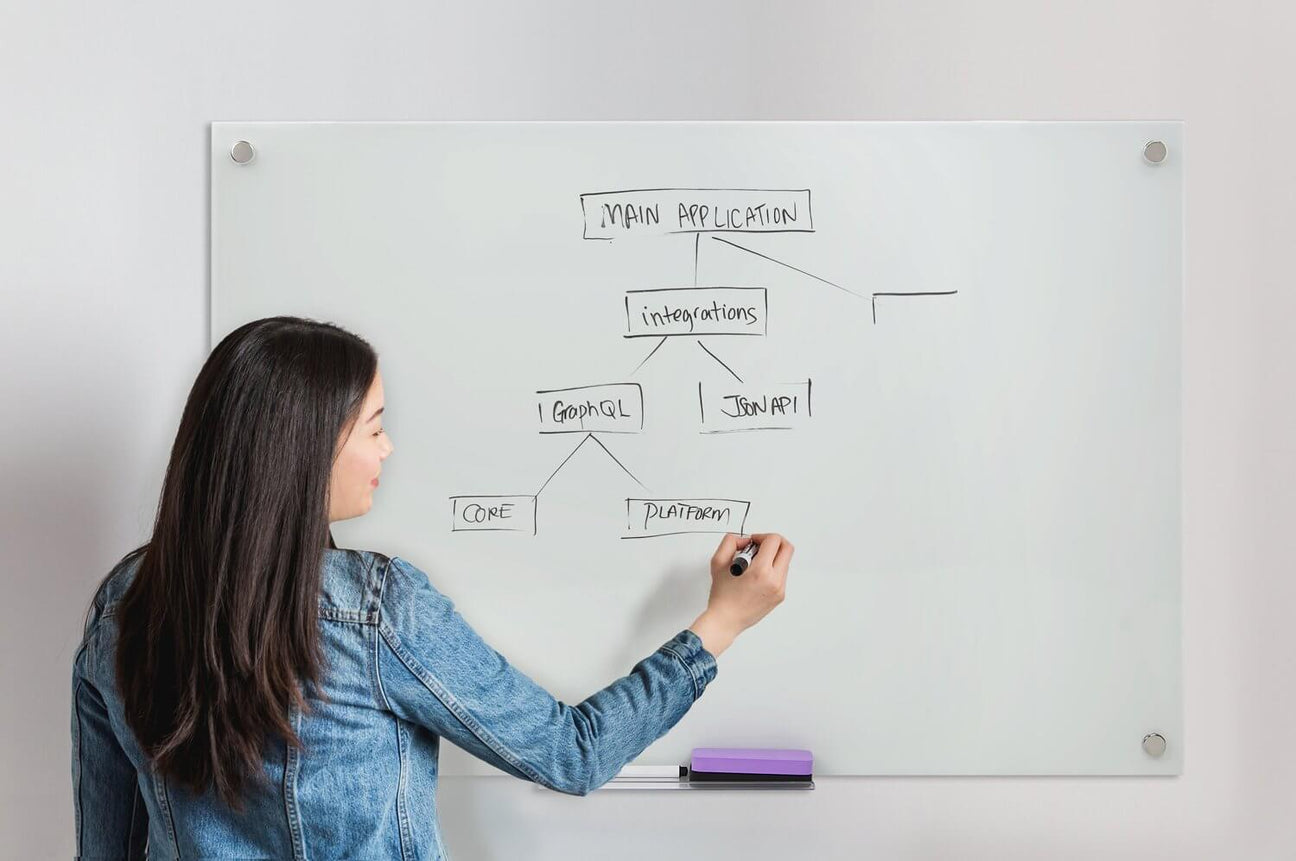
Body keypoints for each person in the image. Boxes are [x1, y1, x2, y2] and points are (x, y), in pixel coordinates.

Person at [71, 315, 795, 858]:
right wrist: (720, 624)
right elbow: (572, 753)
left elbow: (104, 849)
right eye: (374, 427)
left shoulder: (122, 607)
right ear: (306, 451)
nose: (388, 448)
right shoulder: (375, 611)